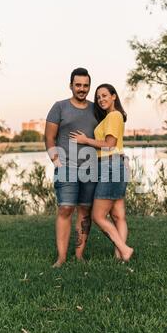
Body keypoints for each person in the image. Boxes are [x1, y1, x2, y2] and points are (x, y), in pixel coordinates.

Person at [69, 83, 134, 262]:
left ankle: (124, 249)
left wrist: (85, 140)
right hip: (116, 164)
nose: (101, 99)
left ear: (114, 96)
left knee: (98, 216)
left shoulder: (114, 115)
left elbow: (109, 144)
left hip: (110, 165)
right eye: (98, 97)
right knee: (117, 215)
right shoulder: (112, 117)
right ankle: (120, 256)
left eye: (105, 95)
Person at [45, 67, 98, 268]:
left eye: (85, 85)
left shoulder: (96, 109)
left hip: (90, 167)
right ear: (71, 86)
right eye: (78, 85)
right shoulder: (59, 107)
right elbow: (49, 137)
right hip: (66, 166)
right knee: (66, 208)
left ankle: (79, 255)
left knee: (85, 211)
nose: (82, 89)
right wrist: (56, 160)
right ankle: (61, 258)